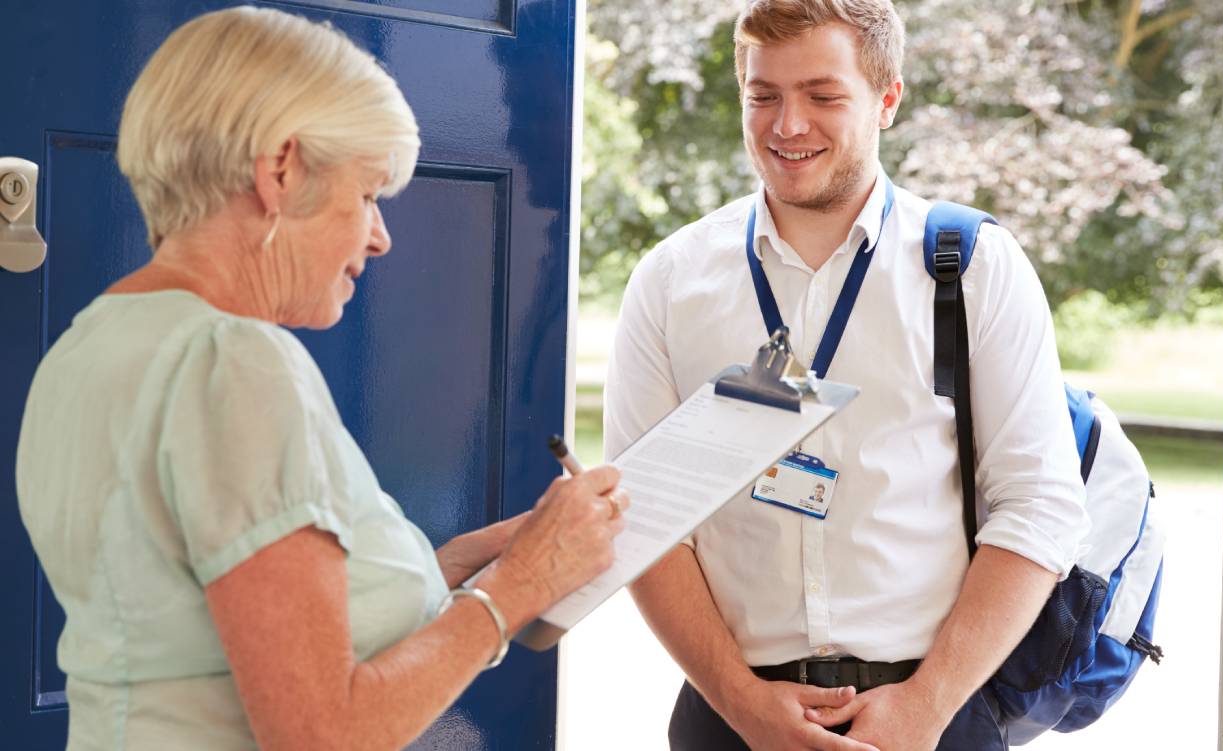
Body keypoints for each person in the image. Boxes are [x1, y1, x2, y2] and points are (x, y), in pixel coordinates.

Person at [14, 7, 626, 750]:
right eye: (368, 194)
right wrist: (520, 584)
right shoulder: (233, 365)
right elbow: (320, 733)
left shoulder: (85, 347)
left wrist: (478, 561)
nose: (380, 234)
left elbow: (205, 624)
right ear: (281, 169)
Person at [604, 1, 1088, 750]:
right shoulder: (670, 281)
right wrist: (740, 704)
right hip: (732, 718)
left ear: (887, 98)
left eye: (822, 96)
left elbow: (1040, 505)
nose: (787, 125)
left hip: (934, 709)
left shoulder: (972, 266)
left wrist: (926, 704)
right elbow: (647, 521)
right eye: (763, 95)